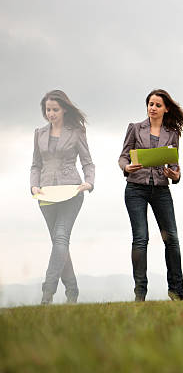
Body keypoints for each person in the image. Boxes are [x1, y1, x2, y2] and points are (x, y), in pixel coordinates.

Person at [118, 89, 183, 302]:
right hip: (135, 189)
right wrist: (127, 167)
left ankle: (177, 291)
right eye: (150, 104)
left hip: (161, 189)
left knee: (172, 239)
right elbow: (122, 157)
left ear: (166, 109)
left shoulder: (172, 133)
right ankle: (140, 293)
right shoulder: (135, 128)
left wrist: (175, 175)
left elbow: (175, 166)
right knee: (141, 239)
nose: (153, 108)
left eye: (158, 105)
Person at [30, 90, 95, 304]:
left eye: (55, 109)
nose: (51, 113)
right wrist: (33, 185)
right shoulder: (39, 133)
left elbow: (87, 162)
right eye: (48, 110)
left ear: (64, 109)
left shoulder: (76, 131)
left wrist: (89, 181)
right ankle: (73, 291)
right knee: (61, 244)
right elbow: (36, 165)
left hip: (72, 192)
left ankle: (47, 292)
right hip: (46, 194)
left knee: (60, 238)